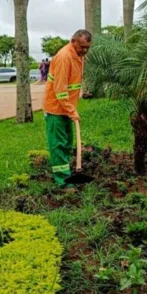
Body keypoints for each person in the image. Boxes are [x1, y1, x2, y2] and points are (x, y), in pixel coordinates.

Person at [43, 30, 92, 187]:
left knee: (67, 143)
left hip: (67, 108)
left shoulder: (78, 56)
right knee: (58, 145)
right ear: (73, 41)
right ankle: (63, 182)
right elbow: (60, 90)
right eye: (82, 46)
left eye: (87, 47)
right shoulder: (64, 57)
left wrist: (71, 109)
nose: (84, 50)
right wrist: (72, 111)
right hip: (56, 109)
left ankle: (67, 174)